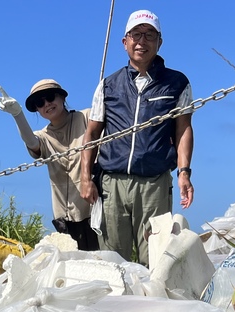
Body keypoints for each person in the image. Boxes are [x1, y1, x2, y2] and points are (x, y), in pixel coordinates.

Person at [80, 9, 194, 268]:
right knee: (112, 263)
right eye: (136, 35)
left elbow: (184, 129)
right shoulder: (108, 84)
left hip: (154, 183)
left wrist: (184, 172)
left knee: (155, 260)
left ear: (159, 42)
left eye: (149, 35)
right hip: (112, 184)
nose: (142, 41)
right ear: (125, 42)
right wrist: (85, 179)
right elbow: (92, 133)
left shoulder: (177, 83)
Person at [0, 80, 100, 251]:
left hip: (95, 211)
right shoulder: (43, 136)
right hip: (65, 219)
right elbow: (31, 141)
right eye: (39, 103)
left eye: (50, 97)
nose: (47, 104)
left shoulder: (87, 117)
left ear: (62, 97)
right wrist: (17, 115)